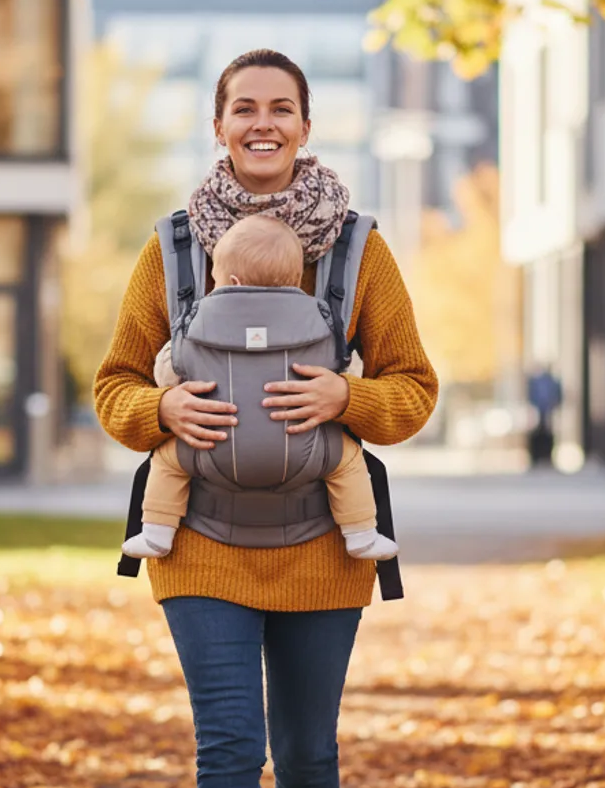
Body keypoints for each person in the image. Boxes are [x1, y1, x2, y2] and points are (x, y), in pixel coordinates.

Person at [94, 48, 438, 788]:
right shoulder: (166, 248)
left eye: (279, 107)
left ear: (303, 123)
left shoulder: (359, 248)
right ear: (217, 126)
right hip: (198, 543)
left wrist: (348, 396)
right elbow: (113, 383)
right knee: (228, 745)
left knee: (307, 756)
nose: (260, 122)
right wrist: (159, 406)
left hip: (321, 546)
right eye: (242, 107)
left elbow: (412, 386)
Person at [121, 214, 399, 564]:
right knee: (348, 463)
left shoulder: (196, 323)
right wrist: (347, 393)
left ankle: (157, 532)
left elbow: (168, 367)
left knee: (167, 463)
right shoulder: (323, 321)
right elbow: (350, 367)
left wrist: (164, 403)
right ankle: (361, 534)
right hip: (312, 451)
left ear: (231, 280)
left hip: (208, 448)